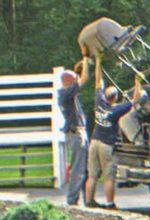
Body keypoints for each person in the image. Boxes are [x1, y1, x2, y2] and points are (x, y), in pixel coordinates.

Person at [85, 51, 141, 209]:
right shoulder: (115, 110)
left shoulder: (98, 103)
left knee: (92, 175)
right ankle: (109, 203)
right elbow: (135, 100)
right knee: (109, 176)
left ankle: (89, 202)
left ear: (104, 96)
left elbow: (98, 81)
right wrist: (138, 82)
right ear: (114, 98)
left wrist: (98, 61)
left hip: (94, 142)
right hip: (106, 146)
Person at [58, 45, 90, 206]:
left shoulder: (65, 94)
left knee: (81, 168)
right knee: (78, 169)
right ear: (69, 82)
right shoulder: (65, 93)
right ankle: (72, 200)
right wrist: (86, 58)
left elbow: (79, 79)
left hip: (76, 132)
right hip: (76, 133)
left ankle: (81, 198)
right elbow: (84, 80)